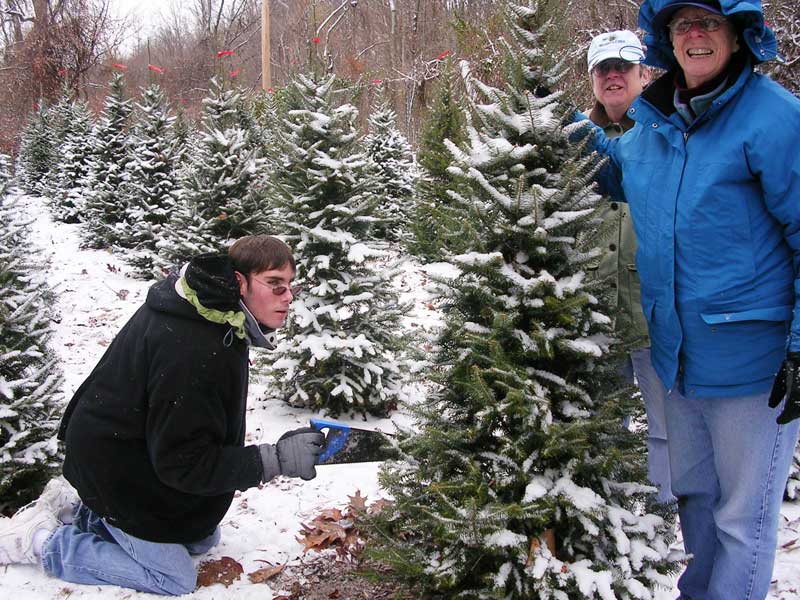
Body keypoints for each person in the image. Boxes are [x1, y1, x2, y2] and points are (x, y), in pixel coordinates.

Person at [591, 1, 800, 598]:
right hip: (678, 359)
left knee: (744, 518)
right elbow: (618, 166)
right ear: (667, 40)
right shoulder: (656, 121)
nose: (697, 36)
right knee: (698, 498)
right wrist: (549, 123)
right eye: (684, 25)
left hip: (754, 366)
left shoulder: (775, 120)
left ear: (738, 36)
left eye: (711, 23)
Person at [0, 235, 325, 595]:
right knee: (172, 578)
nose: (288, 296)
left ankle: (89, 515)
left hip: (131, 450)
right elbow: (182, 462)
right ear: (238, 282)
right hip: (113, 465)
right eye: (275, 285)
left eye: (290, 285)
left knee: (202, 538)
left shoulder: (212, 313)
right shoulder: (195, 349)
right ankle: (43, 542)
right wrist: (273, 460)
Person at [586, 30, 674, 507]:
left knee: (668, 425)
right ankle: (612, 511)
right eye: (603, 68)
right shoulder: (576, 140)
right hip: (596, 313)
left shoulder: (666, 131)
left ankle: (666, 511)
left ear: (645, 73)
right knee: (603, 420)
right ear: (593, 80)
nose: (613, 75)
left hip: (655, 312)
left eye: (623, 66)